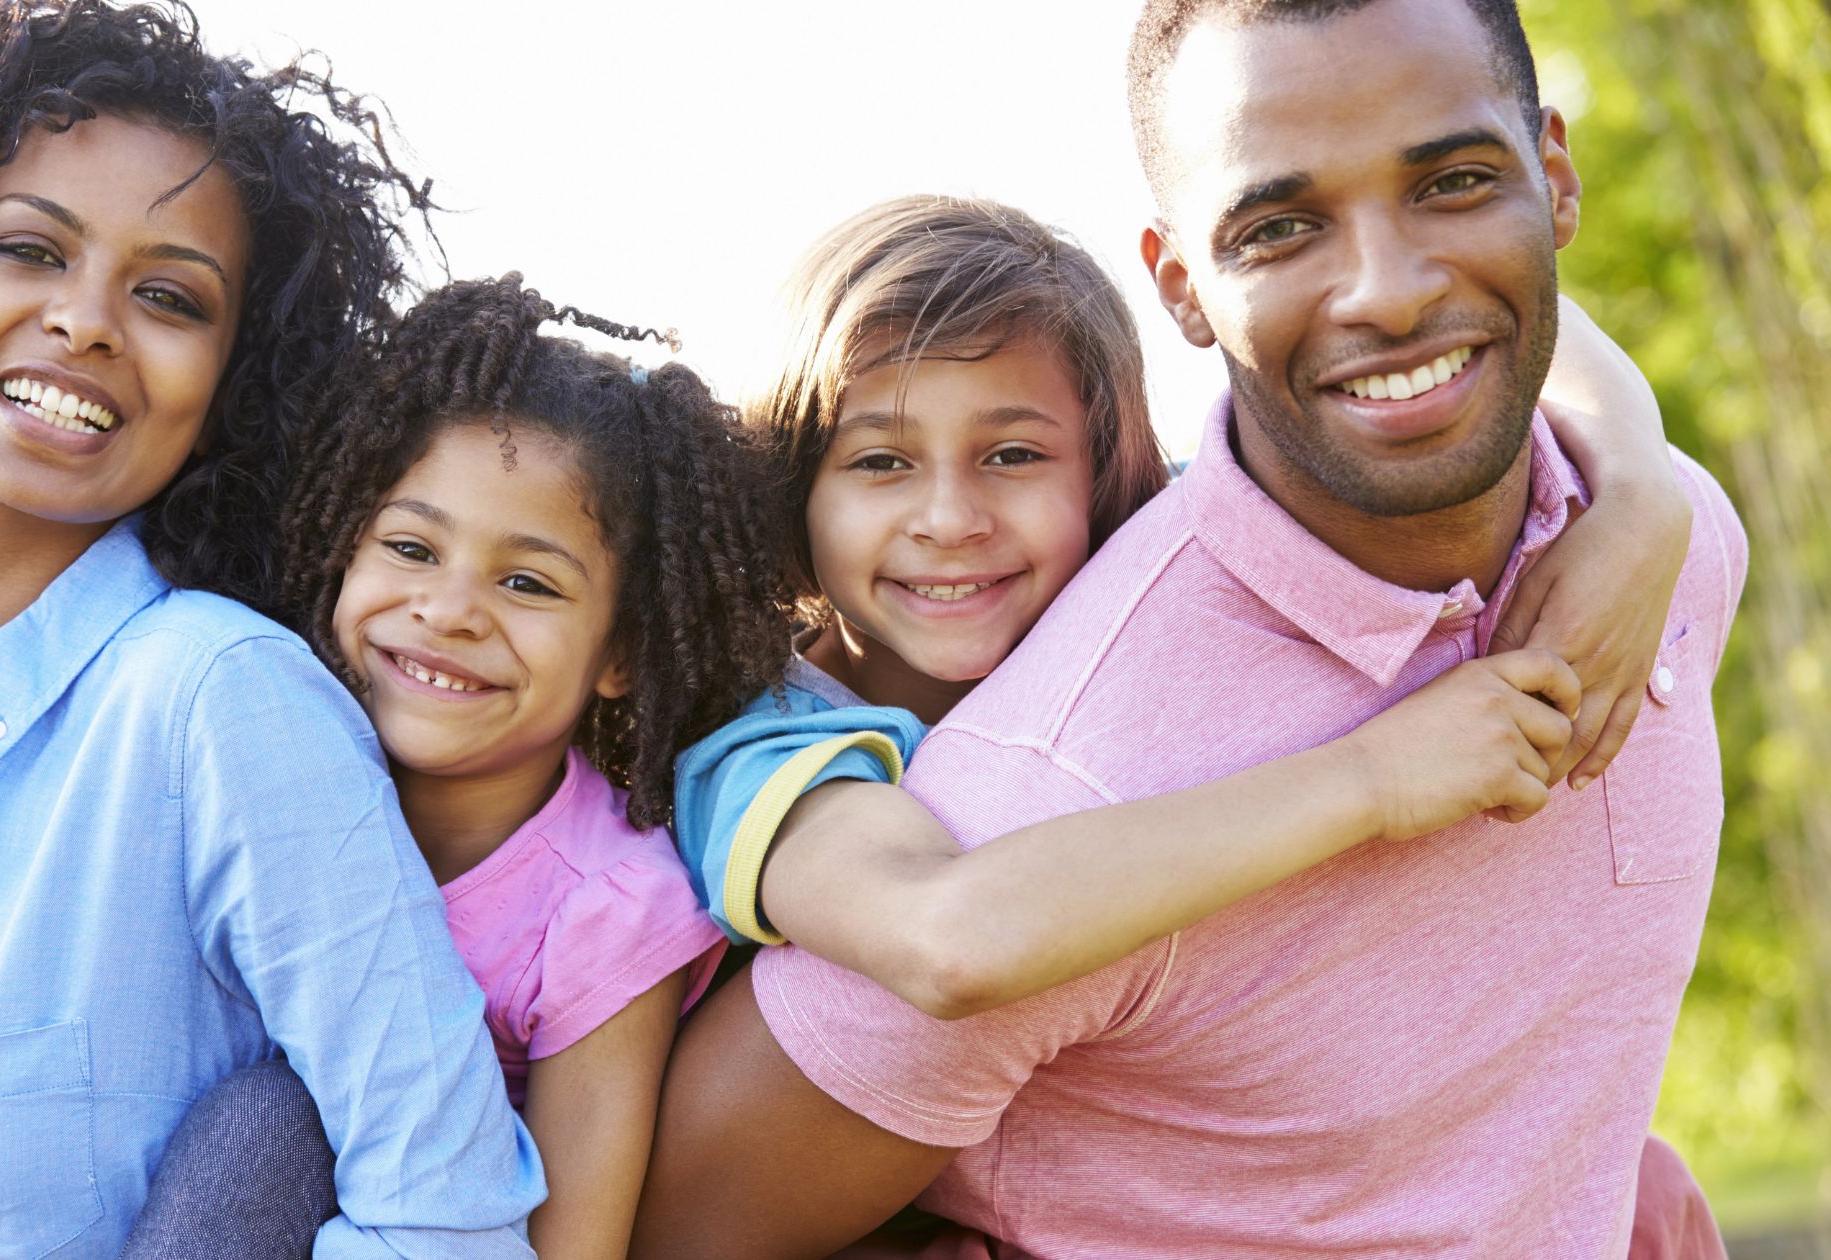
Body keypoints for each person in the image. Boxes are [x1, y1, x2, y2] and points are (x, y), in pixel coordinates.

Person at [633, 1, 1744, 1256]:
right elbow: (679, 1219)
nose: (1387, 290)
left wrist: (1645, 488)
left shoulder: (1660, 542)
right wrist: (1371, 780)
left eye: (1453, 181)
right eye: (1278, 225)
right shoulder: (1027, 808)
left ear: (1553, 180)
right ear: (1184, 287)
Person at [0, 3, 542, 1257]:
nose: (85, 321)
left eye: (170, 297)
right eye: (27, 249)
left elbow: (447, 1221)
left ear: (233, 378)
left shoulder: (220, 705)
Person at [0, 276, 795, 1260]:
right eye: (410, 550)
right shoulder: (248, 717)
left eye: (529, 585)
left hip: (355, 1219)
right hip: (119, 1195)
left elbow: (566, 1246)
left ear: (622, 653)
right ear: (337, 548)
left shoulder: (606, 910)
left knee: (273, 1121)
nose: (448, 611)